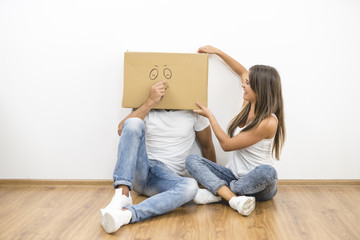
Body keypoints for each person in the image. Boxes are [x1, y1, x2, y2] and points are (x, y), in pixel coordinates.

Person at [100, 80, 216, 233]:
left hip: (166, 179)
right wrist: (150, 101)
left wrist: (211, 184)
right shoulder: (146, 108)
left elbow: (207, 146)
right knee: (133, 122)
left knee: (190, 186)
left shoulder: (194, 113)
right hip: (142, 170)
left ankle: (127, 215)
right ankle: (122, 193)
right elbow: (123, 129)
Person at [186, 45, 285, 216]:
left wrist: (210, 115)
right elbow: (242, 71)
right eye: (246, 82)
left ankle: (219, 194)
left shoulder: (268, 122)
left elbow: (227, 145)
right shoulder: (248, 105)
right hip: (233, 175)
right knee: (192, 160)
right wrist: (217, 52)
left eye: (248, 84)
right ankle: (231, 195)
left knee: (268, 172)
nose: (243, 86)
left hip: (260, 186)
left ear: (260, 89)